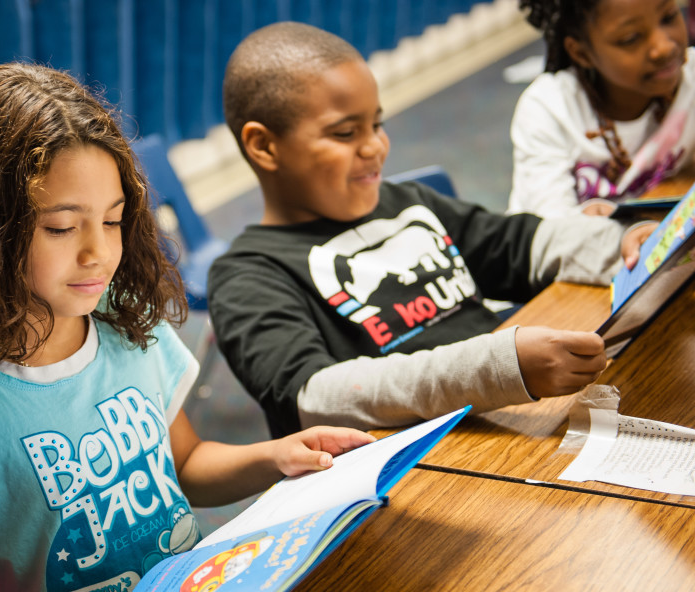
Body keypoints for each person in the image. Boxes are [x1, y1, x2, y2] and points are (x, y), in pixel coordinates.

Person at [0, 62, 373, 592]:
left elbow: (185, 466)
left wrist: (276, 456)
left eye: (114, 219)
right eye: (62, 227)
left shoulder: (123, 323)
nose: (99, 252)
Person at [209, 21, 652, 438]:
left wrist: (620, 246)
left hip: (505, 422)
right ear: (264, 146)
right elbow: (314, 396)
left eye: (377, 124)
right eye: (345, 133)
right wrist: (496, 368)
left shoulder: (407, 202)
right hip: (407, 471)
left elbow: (518, 244)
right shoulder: (247, 276)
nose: (375, 146)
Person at [509, 0, 695, 216]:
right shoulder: (549, 111)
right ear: (582, 54)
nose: (664, 47)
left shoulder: (690, 77)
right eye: (631, 38)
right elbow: (556, 235)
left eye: (668, 17)